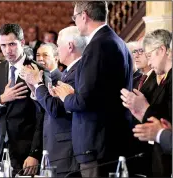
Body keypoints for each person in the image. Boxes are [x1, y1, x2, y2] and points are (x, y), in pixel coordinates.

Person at [53, 2, 133, 177]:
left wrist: (67, 96)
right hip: (110, 139)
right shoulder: (117, 41)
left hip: (97, 144)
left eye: (74, 17)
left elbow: (85, 100)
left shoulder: (97, 46)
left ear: (84, 15)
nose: (74, 22)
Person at [0, 24, 48, 176]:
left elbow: (43, 116)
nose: (7, 50)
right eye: (3, 45)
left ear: (22, 43)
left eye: (12, 44)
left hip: (26, 153)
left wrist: (35, 153)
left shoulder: (38, 70)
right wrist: (2, 99)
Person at [20, 26, 86, 176]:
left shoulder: (76, 72)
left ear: (69, 46)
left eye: (59, 45)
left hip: (65, 150)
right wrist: (34, 86)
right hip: (54, 148)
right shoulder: (68, 72)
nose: (58, 48)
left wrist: (38, 83)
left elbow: (55, 109)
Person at [120, 29, 172, 177]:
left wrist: (144, 108)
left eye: (149, 55)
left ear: (162, 50)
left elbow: (165, 120)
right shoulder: (165, 79)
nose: (148, 62)